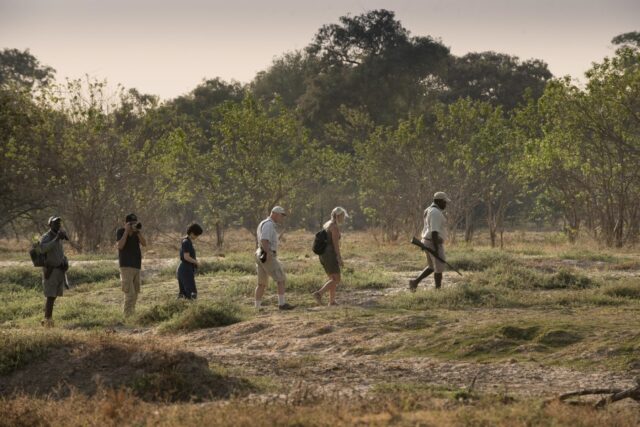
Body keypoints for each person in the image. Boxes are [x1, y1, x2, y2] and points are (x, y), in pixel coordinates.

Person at [409, 192, 451, 292]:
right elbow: (434, 232)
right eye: (444, 202)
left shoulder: (429, 209)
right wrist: (436, 249)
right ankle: (438, 290)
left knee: (432, 266)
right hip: (433, 242)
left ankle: (415, 282)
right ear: (439, 201)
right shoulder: (435, 212)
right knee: (439, 267)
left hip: (428, 241)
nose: (445, 204)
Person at [255, 206, 294, 310]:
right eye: (281, 215)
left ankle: (257, 307)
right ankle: (282, 304)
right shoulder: (269, 225)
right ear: (275, 214)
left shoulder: (264, 223)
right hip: (266, 253)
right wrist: (268, 253)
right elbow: (264, 240)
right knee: (281, 279)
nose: (282, 218)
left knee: (261, 283)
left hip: (260, 253)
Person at [312, 207, 349, 306]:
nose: (343, 218)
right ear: (339, 216)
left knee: (332, 278)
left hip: (323, 254)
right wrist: (339, 258)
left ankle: (332, 301)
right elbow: (336, 245)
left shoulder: (327, 224)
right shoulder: (334, 228)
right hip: (330, 255)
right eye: (343, 216)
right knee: (337, 279)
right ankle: (319, 293)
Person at [39, 216, 69, 327]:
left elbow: (60, 253)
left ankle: (47, 319)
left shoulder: (59, 236)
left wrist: (65, 261)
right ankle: (47, 320)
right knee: (50, 297)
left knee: (54, 296)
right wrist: (56, 239)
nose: (58, 225)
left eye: (59, 223)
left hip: (59, 270)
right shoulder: (46, 237)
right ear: (50, 225)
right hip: (51, 271)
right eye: (55, 223)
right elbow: (42, 249)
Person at [116, 213, 147, 317]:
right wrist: (126, 231)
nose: (134, 225)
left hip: (136, 266)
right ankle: (127, 317)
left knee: (136, 293)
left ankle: (131, 315)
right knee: (130, 293)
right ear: (126, 223)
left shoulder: (136, 233)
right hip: (126, 266)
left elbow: (144, 243)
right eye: (131, 223)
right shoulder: (120, 232)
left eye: (135, 223)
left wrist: (138, 232)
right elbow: (120, 246)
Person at [177, 223, 203, 299]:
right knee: (191, 293)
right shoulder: (186, 242)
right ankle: (192, 309)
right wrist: (196, 262)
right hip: (185, 269)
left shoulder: (186, 241)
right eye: (196, 235)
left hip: (185, 269)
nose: (197, 237)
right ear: (192, 233)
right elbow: (186, 257)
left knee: (183, 294)